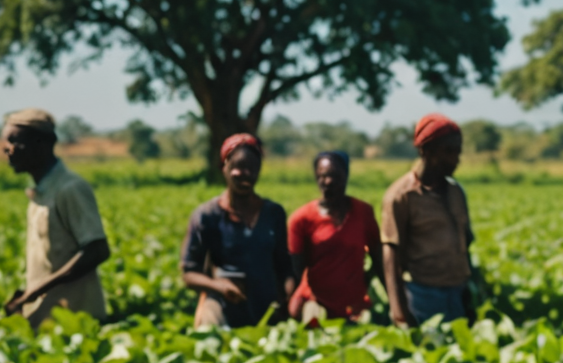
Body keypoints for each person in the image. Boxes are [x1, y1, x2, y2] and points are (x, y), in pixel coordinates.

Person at [0, 109, 111, 328]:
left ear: (42, 145)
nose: (8, 150)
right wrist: (27, 296)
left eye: (16, 142)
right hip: (47, 320)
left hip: (77, 322)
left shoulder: (70, 189)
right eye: (6, 142)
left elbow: (97, 250)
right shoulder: (40, 193)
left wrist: (38, 290)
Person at [181, 134, 293, 329]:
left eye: (252, 168)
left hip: (267, 309)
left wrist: (288, 298)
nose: (245, 173)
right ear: (224, 167)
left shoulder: (273, 213)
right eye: (238, 167)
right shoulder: (207, 216)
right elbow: (189, 273)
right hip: (222, 306)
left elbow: (284, 265)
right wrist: (220, 286)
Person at [382, 114, 476, 325]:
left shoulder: (455, 191)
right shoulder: (401, 196)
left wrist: (471, 288)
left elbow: (465, 242)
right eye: (449, 151)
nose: (456, 160)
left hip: (458, 291)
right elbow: (391, 257)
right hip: (423, 295)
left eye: (458, 152)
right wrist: (399, 312)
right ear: (426, 151)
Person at [288, 150, 382, 324]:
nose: (329, 181)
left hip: (354, 305)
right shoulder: (301, 219)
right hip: (315, 302)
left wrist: (366, 281)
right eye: (323, 176)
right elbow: (296, 269)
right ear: (316, 177)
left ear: (346, 175)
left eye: (335, 176)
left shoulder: (363, 213)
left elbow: (379, 258)